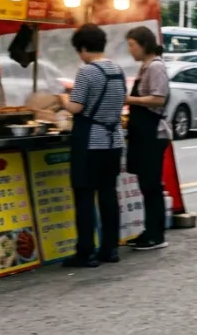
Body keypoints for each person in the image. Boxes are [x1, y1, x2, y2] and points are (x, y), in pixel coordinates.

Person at [57, 24, 126, 267]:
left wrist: (63, 99)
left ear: (84, 48)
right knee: (108, 194)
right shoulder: (117, 70)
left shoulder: (87, 72)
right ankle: (110, 249)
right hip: (114, 140)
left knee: (84, 195)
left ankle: (85, 252)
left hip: (90, 142)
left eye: (79, 51)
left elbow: (76, 107)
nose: (80, 55)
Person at [125, 25, 171, 250]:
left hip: (154, 132)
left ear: (143, 45)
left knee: (151, 185)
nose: (130, 50)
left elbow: (158, 99)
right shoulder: (145, 67)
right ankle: (149, 230)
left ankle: (157, 235)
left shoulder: (155, 67)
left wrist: (130, 100)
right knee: (146, 184)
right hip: (142, 131)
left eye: (132, 45)